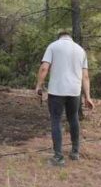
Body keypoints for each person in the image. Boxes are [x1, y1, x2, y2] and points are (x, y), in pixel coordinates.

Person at [34, 31, 94, 166]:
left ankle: (58, 157)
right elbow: (85, 76)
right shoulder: (80, 50)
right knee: (73, 118)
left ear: (59, 37)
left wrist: (39, 85)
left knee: (56, 120)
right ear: (70, 38)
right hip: (74, 91)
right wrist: (88, 97)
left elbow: (44, 68)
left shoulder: (53, 46)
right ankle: (75, 152)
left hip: (57, 90)